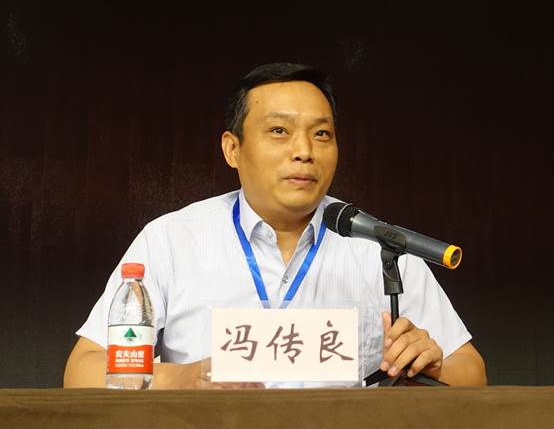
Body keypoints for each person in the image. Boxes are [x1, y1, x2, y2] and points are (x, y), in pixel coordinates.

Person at [64, 63, 487, 389]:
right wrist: (180, 379)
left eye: (321, 134)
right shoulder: (173, 240)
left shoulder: (376, 244)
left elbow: (472, 372)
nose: (304, 151)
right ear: (232, 149)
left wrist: (434, 363)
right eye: (280, 131)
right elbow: (83, 369)